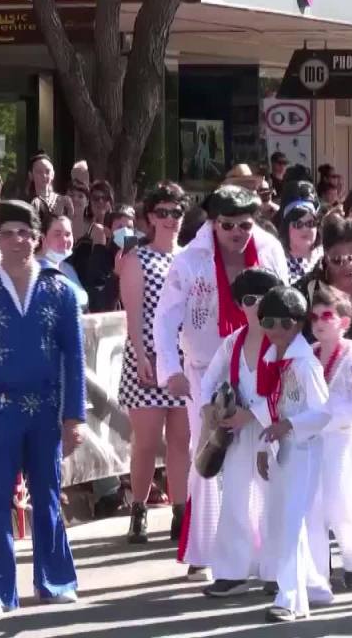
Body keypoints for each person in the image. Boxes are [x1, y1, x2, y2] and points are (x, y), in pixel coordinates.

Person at [0, 200, 86, 616]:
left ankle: (55, 579)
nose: (17, 240)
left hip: (46, 407)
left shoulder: (59, 288)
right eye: (8, 232)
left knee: (47, 491)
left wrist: (74, 416)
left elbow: (75, 358)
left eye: (25, 233)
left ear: (37, 237)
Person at [153, 185, 289, 581]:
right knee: (210, 451)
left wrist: (287, 360)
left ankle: (265, 548)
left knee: (262, 451)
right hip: (204, 368)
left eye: (244, 224)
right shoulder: (189, 260)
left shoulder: (269, 251)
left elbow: (286, 306)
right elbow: (165, 318)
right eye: (227, 224)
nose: (236, 232)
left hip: (260, 363)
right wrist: (170, 369)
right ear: (213, 223)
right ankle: (206, 549)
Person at [197, 268, 282, 598]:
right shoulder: (232, 342)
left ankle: (275, 569)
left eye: (263, 298)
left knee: (273, 499)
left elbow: (290, 390)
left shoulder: (284, 342)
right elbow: (208, 382)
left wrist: (255, 413)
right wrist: (211, 408)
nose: (256, 305)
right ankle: (233, 571)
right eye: (249, 300)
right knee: (233, 496)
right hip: (234, 433)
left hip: (272, 433)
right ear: (239, 304)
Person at [254, 286, 335, 622]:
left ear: (297, 323)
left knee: (290, 523)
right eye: (268, 322)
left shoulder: (304, 364)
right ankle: (314, 587)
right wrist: (263, 446)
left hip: (304, 449)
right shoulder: (273, 359)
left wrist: (287, 425)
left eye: (284, 323)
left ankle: (291, 598)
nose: (275, 330)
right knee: (286, 522)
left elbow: (323, 413)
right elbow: (266, 407)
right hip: (283, 449)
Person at [118, 185, 187, 543]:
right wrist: (142, 355)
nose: (170, 219)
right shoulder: (137, 258)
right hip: (146, 356)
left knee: (181, 439)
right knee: (145, 441)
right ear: (150, 218)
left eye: (176, 212)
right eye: (163, 212)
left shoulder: (190, 257)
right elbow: (134, 313)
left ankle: (180, 510)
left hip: (183, 360)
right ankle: (139, 510)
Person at [306, 286, 352, 589]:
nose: (319, 322)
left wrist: (320, 418)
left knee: (339, 503)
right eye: (314, 316)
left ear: (343, 322)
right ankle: (318, 569)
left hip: (342, 438)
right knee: (313, 505)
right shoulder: (309, 354)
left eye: (327, 316)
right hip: (312, 440)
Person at [72, 202, 134, 313]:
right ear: (108, 231)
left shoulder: (138, 258)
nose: (126, 232)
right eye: (120, 227)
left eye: (129, 227)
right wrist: (116, 275)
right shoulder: (100, 258)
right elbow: (99, 305)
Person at [38, 214, 88, 310]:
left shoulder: (68, 269)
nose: (64, 239)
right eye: (57, 234)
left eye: (68, 234)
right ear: (43, 238)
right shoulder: (33, 270)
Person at [279, 198, 321, 282]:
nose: (305, 229)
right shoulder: (279, 263)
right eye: (298, 224)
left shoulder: (326, 257)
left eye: (310, 223)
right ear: (286, 229)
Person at [28, 154, 74, 223]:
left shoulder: (64, 201)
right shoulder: (27, 202)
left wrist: (70, 212)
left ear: (53, 174)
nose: (44, 175)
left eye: (47, 171)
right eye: (39, 172)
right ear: (31, 175)